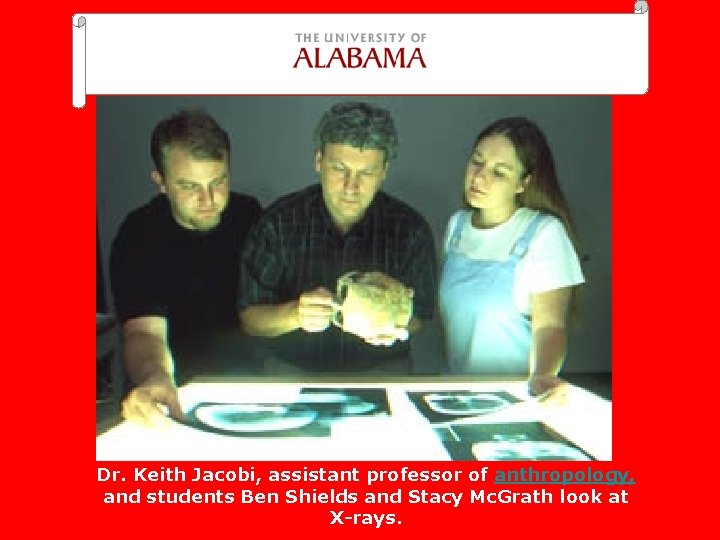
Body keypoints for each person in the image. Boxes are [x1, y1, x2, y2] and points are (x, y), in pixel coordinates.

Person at [239, 101, 437, 373]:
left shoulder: (411, 230)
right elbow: (250, 318)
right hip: (293, 370)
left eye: (366, 172)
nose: (351, 186)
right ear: (319, 161)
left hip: (382, 368)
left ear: (384, 172)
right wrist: (295, 314)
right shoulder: (278, 223)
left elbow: (423, 314)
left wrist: (396, 320)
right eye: (340, 168)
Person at [110, 110, 263, 426]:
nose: (208, 199)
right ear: (161, 182)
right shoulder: (139, 233)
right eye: (189, 186)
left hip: (247, 388)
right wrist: (156, 377)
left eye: (218, 182)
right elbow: (143, 333)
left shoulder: (249, 215)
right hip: (171, 393)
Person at [438, 117, 584, 396]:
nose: (479, 176)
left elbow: (550, 327)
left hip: (514, 395)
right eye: (476, 162)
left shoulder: (545, 233)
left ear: (523, 183)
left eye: (499, 172)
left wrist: (541, 379)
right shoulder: (456, 226)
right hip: (454, 391)